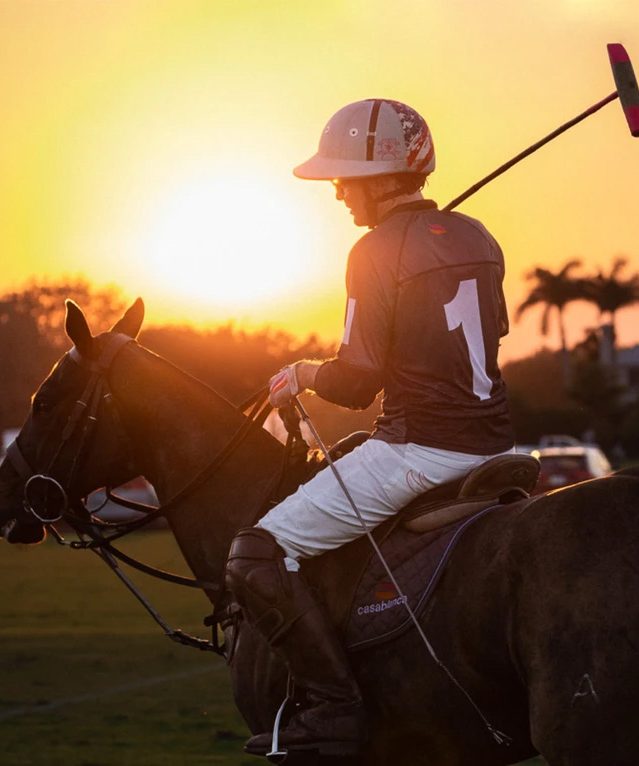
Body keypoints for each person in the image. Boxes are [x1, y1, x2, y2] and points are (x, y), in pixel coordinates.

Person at [224, 98, 515, 757]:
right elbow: (489, 335)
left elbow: (357, 381)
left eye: (345, 176)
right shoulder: (477, 236)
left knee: (256, 554)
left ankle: (332, 710)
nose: (336, 192)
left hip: (419, 449)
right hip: (498, 444)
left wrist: (301, 373)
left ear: (383, 178)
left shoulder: (373, 249)